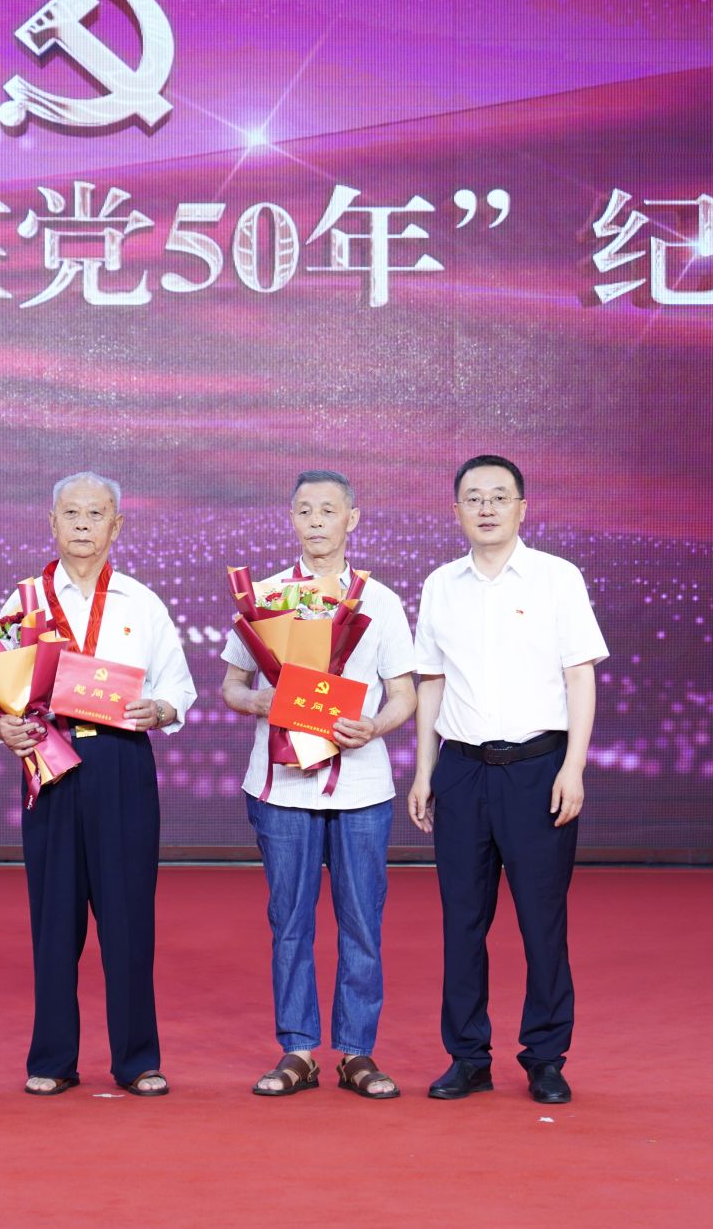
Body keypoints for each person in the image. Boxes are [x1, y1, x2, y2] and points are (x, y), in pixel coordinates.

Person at [0, 472, 196, 1097]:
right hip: (49, 762)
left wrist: (160, 709)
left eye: (96, 513)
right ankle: (52, 1058)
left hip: (121, 762)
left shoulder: (141, 602)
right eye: (71, 513)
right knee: (54, 918)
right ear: (51, 522)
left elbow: (178, 687)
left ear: (116, 525)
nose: (83, 524)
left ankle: (137, 1059)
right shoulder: (23, 600)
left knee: (128, 917)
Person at [409, 454, 609, 1105]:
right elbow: (431, 680)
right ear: (457, 510)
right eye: (474, 497)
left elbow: (580, 675)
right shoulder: (441, 585)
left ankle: (546, 1057)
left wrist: (573, 766)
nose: (487, 507)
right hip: (462, 771)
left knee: (541, 922)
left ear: (523, 507)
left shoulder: (557, 577)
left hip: (538, 770)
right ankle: (468, 1056)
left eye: (500, 496)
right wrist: (425, 770)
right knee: (462, 922)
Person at [219, 470, 416, 1100]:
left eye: (328, 510)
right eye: (305, 510)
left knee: (362, 922)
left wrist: (374, 726)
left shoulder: (380, 600)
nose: (316, 521)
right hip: (281, 787)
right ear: (292, 519)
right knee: (290, 921)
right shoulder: (266, 598)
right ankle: (298, 1050)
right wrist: (263, 701)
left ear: (351, 519)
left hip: (361, 787)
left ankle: (357, 1052)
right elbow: (231, 686)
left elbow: (404, 693)